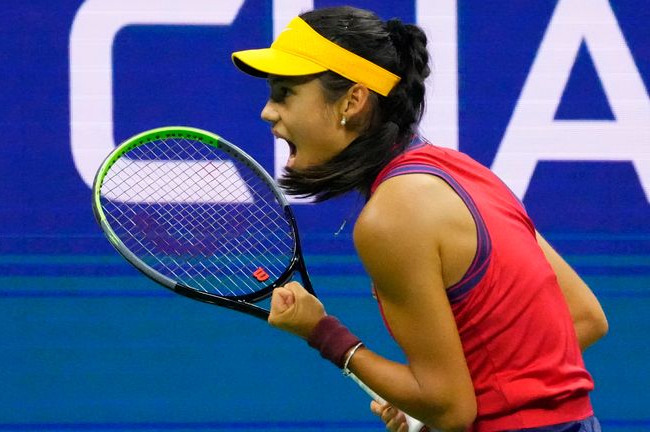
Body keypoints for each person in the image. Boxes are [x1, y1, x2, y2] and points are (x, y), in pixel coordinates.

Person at [230, 6, 608, 432]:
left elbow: (450, 408)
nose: (268, 112)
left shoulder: (390, 217)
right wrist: (436, 405)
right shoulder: (463, 171)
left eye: (284, 94)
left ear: (353, 100)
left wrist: (321, 331)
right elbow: (581, 316)